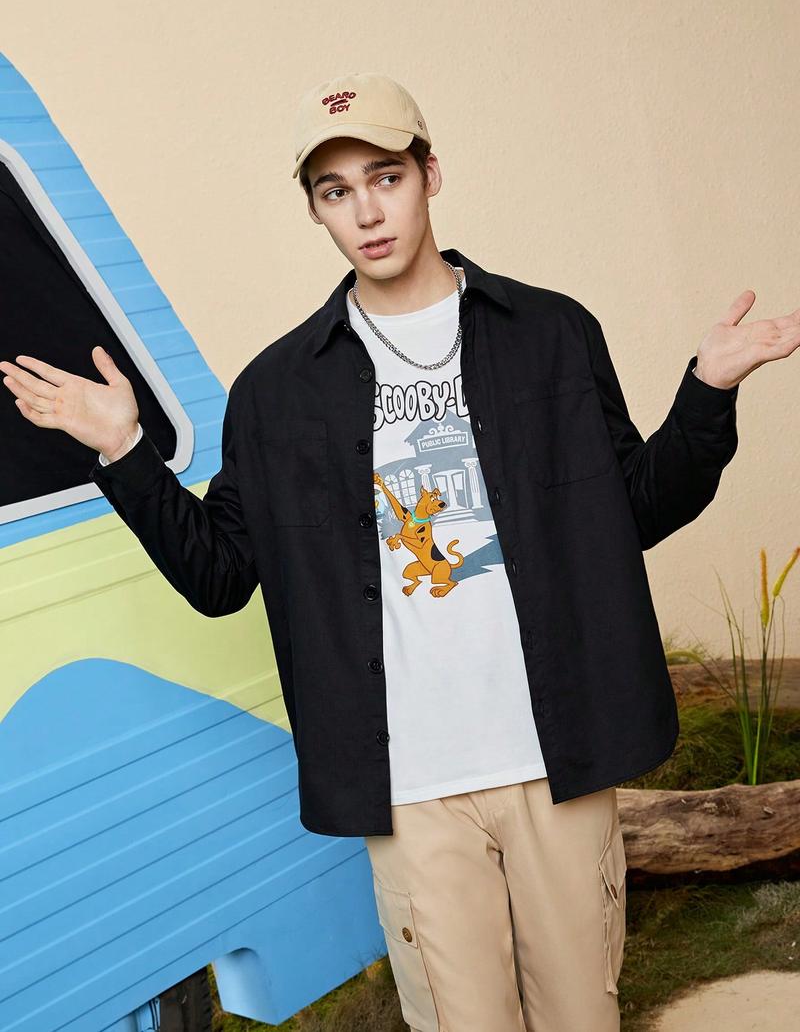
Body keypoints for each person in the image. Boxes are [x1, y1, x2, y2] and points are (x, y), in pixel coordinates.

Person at [2, 71, 799, 1032]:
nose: (367, 212)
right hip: (411, 788)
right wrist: (125, 451)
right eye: (336, 191)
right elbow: (219, 576)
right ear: (315, 210)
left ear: (430, 175)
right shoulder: (276, 392)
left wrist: (708, 392)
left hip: (556, 758)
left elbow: (631, 510)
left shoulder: (550, 333)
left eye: (386, 177)